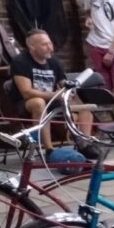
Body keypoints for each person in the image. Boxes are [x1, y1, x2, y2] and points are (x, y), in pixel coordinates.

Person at [10, 28, 98, 156]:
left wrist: (70, 93)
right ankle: (49, 149)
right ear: (32, 46)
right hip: (27, 103)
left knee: (84, 107)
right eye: (44, 44)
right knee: (39, 103)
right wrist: (54, 95)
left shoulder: (53, 62)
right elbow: (26, 92)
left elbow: (63, 84)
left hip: (52, 100)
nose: (50, 47)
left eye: (50, 43)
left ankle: (85, 145)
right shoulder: (20, 61)